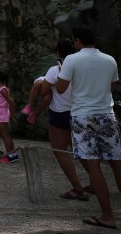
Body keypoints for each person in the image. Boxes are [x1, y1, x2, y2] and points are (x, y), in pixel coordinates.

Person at [56, 26, 121, 230]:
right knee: (118, 165)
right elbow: (113, 86)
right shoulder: (109, 60)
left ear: (77, 42)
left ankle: (107, 216)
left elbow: (62, 88)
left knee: (93, 166)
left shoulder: (72, 60)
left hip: (83, 115)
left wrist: (66, 73)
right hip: (106, 114)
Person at [33, 39, 91, 201]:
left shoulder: (55, 69)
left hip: (60, 113)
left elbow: (44, 89)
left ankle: (78, 189)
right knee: (82, 151)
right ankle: (95, 181)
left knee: (60, 152)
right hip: (79, 111)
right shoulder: (82, 67)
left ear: (58, 53)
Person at [0, 70, 19, 163]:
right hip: (0, 113)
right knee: (5, 134)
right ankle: (13, 154)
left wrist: (11, 115)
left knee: (5, 135)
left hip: (2, 113)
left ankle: (10, 156)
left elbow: (12, 103)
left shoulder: (2, 90)